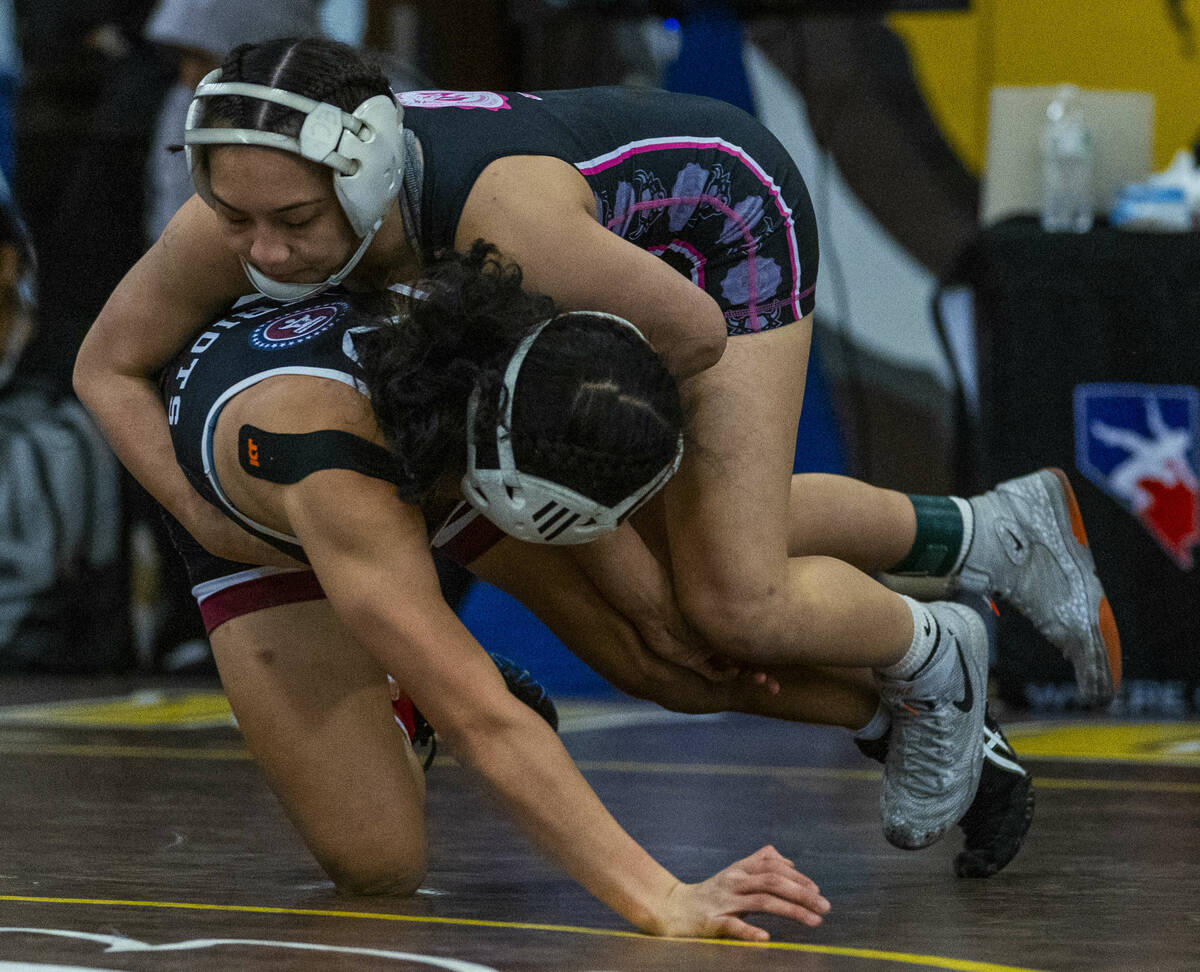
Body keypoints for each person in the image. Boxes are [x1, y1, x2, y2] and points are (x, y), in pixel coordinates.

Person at [73, 37, 1120, 853]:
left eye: (292, 222)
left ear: (364, 179)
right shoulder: (257, 207)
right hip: (490, 363)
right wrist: (213, 520)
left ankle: (934, 655)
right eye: (235, 216)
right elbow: (105, 367)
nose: (261, 250)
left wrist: (580, 479)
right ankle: (984, 536)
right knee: (661, 639)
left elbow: (692, 337)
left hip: (708, 246)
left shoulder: (505, 227)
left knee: (725, 594)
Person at [159, 241, 833, 939]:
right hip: (275, 528)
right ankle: (406, 686)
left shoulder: (513, 334)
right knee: (379, 865)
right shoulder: (341, 474)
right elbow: (482, 720)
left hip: (430, 431)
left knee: (681, 629)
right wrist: (661, 898)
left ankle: (925, 648)